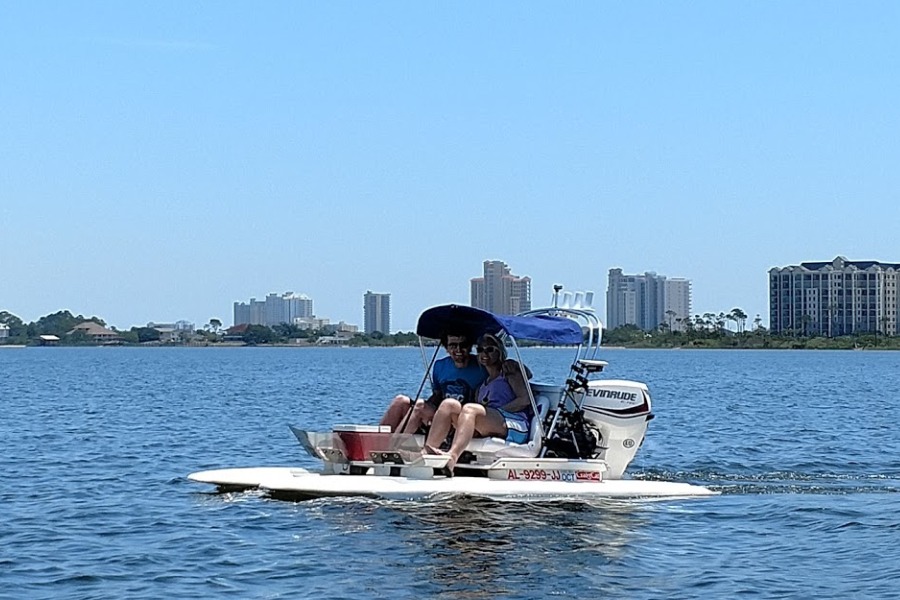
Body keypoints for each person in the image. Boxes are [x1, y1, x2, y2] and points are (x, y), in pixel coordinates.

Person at [424, 333, 533, 470]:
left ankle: (452, 457)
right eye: (480, 350)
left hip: (514, 424)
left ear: (499, 351)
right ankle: (428, 453)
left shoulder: (509, 371)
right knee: (449, 404)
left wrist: (499, 411)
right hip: (493, 422)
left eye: (490, 349)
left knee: (470, 409)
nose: (484, 353)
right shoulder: (483, 384)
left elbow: (525, 399)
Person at [379, 331, 486, 433]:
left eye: (463, 345)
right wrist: (421, 408)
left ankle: (393, 445)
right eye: (453, 346)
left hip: (463, 417)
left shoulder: (482, 366)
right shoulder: (440, 366)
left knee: (420, 406)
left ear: (470, 346)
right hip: (441, 413)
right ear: (446, 348)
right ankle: (377, 442)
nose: (458, 350)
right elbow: (437, 394)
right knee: (401, 401)